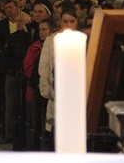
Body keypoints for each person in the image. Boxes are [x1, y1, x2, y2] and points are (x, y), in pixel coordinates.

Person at [38, 8, 78, 151]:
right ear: (60, 22)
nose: (68, 24)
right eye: (65, 21)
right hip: (56, 91)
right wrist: (48, 89)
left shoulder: (81, 39)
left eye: (72, 21)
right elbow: (44, 66)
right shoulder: (51, 40)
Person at [23, 16, 57, 151]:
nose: (41, 32)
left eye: (44, 29)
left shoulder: (54, 44)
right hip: (40, 88)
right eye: (40, 30)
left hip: (53, 89)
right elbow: (32, 67)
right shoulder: (35, 47)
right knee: (38, 122)